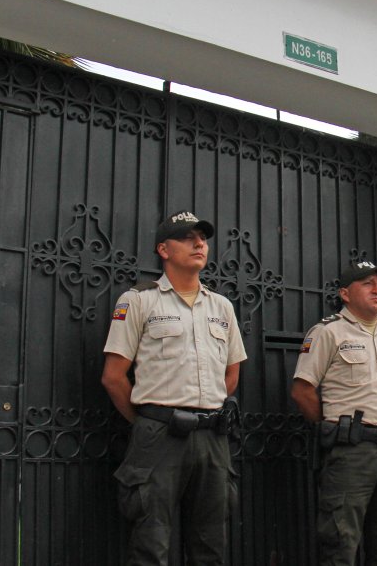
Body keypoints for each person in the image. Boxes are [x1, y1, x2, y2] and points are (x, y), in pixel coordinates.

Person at [101, 211, 248, 566]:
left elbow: (231, 374)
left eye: (203, 238)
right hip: (159, 437)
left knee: (210, 545)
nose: (199, 244)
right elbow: (114, 376)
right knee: (150, 543)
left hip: (212, 438)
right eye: (187, 238)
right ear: (163, 250)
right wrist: (149, 421)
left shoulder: (221, 307)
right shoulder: (139, 300)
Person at [290, 260, 377, 566]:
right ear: (345, 294)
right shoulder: (328, 332)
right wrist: (333, 427)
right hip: (350, 452)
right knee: (340, 540)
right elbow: (302, 391)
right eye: (367, 283)